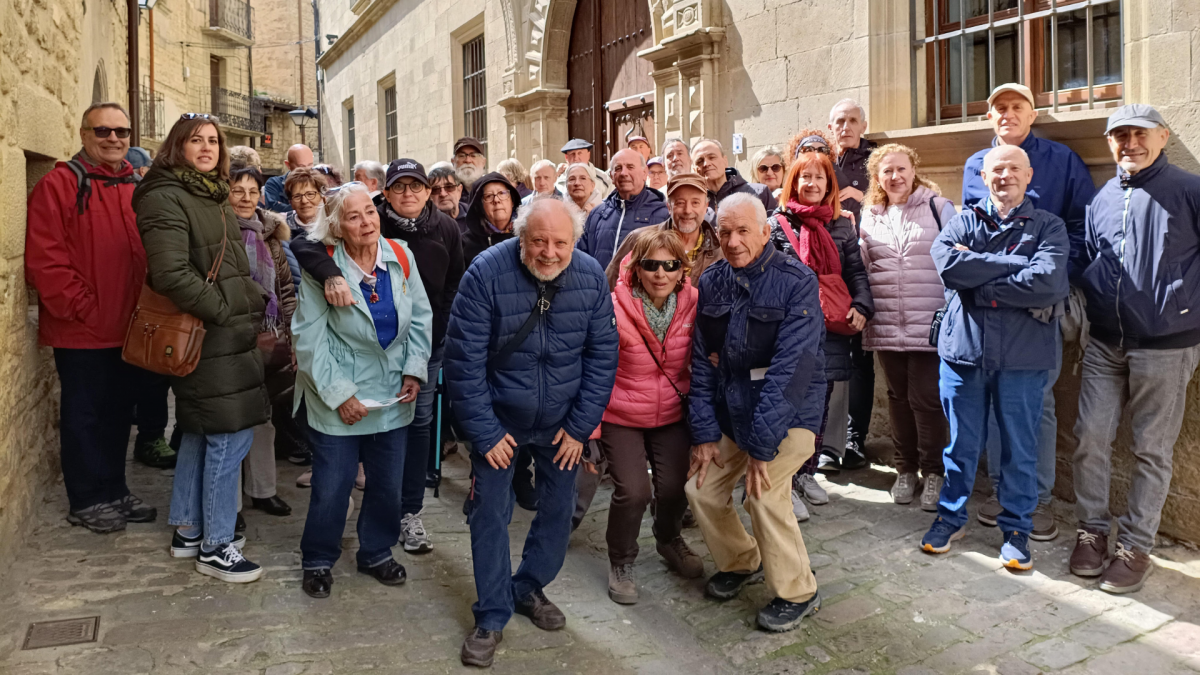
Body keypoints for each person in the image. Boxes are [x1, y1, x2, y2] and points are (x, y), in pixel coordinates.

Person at [446, 197, 618, 668]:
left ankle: (528, 586)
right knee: (489, 514)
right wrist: (484, 432)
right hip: (499, 419)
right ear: (521, 237)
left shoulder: (588, 276)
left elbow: (602, 359)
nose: (548, 252)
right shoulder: (485, 273)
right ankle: (492, 613)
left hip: (562, 423)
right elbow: (463, 363)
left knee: (559, 511)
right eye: (538, 241)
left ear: (574, 242)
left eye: (559, 242)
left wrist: (580, 427)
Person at [291, 159, 464, 554]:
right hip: (339, 399)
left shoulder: (400, 256)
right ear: (336, 227)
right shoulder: (325, 270)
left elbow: (421, 317)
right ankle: (318, 557)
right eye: (354, 217)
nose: (367, 222)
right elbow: (308, 339)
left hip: (390, 395)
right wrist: (340, 395)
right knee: (333, 486)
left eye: (369, 212)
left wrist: (414, 372)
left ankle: (377, 552)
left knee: (386, 485)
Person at [134, 113, 270, 582]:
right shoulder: (167, 196)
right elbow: (170, 273)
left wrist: (241, 303)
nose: (208, 147)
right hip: (208, 331)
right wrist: (226, 306)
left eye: (214, 141)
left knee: (197, 429)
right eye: (197, 140)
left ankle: (189, 530)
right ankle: (216, 545)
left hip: (224, 330)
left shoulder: (206, 192)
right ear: (178, 146)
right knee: (229, 436)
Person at [1070, 104, 1200, 594]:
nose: (1131, 143)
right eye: (1120, 135)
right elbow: (1091, 257)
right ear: (1110, 143)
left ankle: (1136, 545)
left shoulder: (1189, 190)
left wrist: (1187, 310)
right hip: (1104, 341)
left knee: (1150, 448)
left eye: (1140, 134)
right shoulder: (1102, 197)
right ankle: (1093, 531)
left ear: (1162, 137)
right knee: (1089, 438)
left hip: (1167, 344)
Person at [921, 145, 1069, 572]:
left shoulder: (1049, 227)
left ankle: (1017, 528)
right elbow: (950, 269)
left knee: (1020, 448)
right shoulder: (962, 221)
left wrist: (980, 280)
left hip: (1024, 356)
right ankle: (951, 518)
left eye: (1013, 169)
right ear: (983, 178)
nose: (1004, 176)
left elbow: (1048, 282)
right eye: (996, 170)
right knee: (960, 445)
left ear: (1028, 176)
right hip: (964, 353)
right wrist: (1013, 267)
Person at [686, 193, 825, 633]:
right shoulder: (711, 281)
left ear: (766, 232)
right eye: (725, 232)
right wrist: (705, 434)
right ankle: (743, 559)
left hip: (790, 415)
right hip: (734, 412)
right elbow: (701, 362)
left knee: (763, 494)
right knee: (702, 489)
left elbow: (792, 371)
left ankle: (798, 590)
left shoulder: (796, 280)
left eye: (744, 230)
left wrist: (762, 447)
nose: (733, 241)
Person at [963, 84, 1097, 539]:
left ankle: (1037, 500)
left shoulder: (1062, 161)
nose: (1008, 114)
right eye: (999, 107)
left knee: (1035, 404)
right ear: (989, 117)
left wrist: (1053, 275)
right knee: (998, 401)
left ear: (1033, 113)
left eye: (1017, 106)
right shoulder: (974, 165)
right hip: (990, 310)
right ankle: (1002, 491)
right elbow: (969, 241)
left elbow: (1082, 229)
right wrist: (996, 279)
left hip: (1040, 310)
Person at [25, 102, 155, 533]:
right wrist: (81, 307)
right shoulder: (59, 185)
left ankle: (114, 488)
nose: (114, 139)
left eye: (121, 131)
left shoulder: (134, 186)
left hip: (128, 328)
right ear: (84, 134)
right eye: (103, 131)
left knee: (119, 413)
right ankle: (86, 498)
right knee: (85, 415)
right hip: (82, 329)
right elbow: (45, 259)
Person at [592, 229, 704, 605]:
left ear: (681, 270)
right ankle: (621, 561)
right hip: (621, 412)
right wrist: (590, 429)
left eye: (670, 265)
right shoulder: (612, 306)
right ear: (636, 269)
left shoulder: (693, 304)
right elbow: (593, 368)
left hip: (671, 413)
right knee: (634, 491)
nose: (660, 273)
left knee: (674, 487)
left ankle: (668, 538)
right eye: (651, 265)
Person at [770, 145, 873, 521]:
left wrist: (862, 305)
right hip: (789, 330)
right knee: (789, 404)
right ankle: (785, 478)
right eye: (804, 176)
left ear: (829, 183)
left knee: (819, 405)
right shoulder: (776, 224)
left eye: (819, 177)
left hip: (829, 327)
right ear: (793, 182)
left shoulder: (842, 224)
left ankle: (806, 473)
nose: (811, 183)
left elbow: (854, 271)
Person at [857, 144, 953, 510]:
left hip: (928, 323)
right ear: (877, 178)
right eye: (886, 171)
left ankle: (933, 473)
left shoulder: (938, 208)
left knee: (927, 401)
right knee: (897, 400)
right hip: (886, 322)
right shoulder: (871, 214)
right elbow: (866, 266)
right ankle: (905, 470)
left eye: (901, 169)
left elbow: (955, 259)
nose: (894, 177)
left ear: (913, 169)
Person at [227, 164, 298, 518]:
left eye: (252, 191)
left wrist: (291, 331)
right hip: (229, 337)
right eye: (238, 190)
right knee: (231, 418)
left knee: (264, 416)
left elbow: (284, 287)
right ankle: (230, 501)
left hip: (269, 338)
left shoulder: (270, 234)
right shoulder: (218, 230)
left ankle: (263, 489)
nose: (245, 198)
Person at [829, 99, 878, 468]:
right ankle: (826, 441)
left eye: (852, 120)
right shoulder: (822, 162)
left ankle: (854, 437)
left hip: (864, 267)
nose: (845, 127)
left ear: (864, 125)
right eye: (839, 122)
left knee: (861, 357)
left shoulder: (876, 163)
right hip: (829, 270)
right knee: (829, 358)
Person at [606, 172, 723, 289]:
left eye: (695, 203)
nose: (687, 210)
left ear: (705, 206)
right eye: (680, 203)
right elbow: (609, 288)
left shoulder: (720, 253)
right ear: (669, 207)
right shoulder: (638, 239)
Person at [577, 149, 670, 269]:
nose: (623, 173)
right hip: (600, 287)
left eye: (630, 167)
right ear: (611, 176)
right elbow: (581, 257)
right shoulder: (597, 214)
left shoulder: (662, 214)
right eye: (618, 168)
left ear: (644, 173)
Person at [692, 138, 777, 215]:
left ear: (725, 161)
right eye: (699, 161)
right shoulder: (692, 204)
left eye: (712, 157)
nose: (706, 164)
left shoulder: (759, 193)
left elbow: (776, 229)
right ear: (694, 170)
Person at [460, 172, 522, 267]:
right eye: (488, 196)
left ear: (512, 201)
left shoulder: (525, 237)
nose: (496, 200)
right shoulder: (464, 244)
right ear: (479, 207)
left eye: (502, 193)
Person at [264, 143, 315, 213]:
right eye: (301, 167)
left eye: (310, 165)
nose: (307, 171)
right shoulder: (274, 184)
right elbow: (273, 208)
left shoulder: (318, 183)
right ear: (288, 165)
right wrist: (307, 209)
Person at [453, 136, 488, 202]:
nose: (468, 160)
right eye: (462, 156)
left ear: (483, 162)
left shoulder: (491, 190)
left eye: (473, 155)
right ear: (453, 161)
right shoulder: (446, 192)